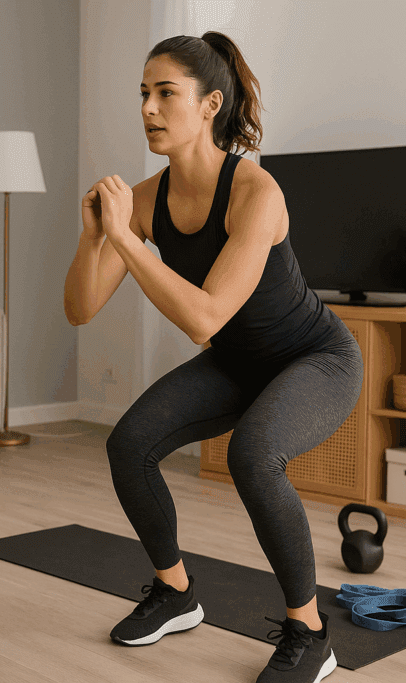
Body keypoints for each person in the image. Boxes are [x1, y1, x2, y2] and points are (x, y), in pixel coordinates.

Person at [64, 32, 362, 683]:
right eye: (143, 93)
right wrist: (95, 239)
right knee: (130, 443)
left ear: (210, 104)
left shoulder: (257, 192)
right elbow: (80, 308)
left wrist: (124, 238)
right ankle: (176, 590)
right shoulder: (145, 200)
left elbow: (204, 314)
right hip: (238, 361)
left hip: (315, 356)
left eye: (165, 92)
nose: (147, 107)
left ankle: (311, 633)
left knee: (253, 455)